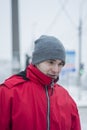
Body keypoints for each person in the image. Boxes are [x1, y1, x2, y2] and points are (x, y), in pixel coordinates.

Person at [0, 35, 81, 130]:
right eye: (51, 62)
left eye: (60, 64)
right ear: (37, 61)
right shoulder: (8, 92)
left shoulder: (66, 97)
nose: (56, 69)